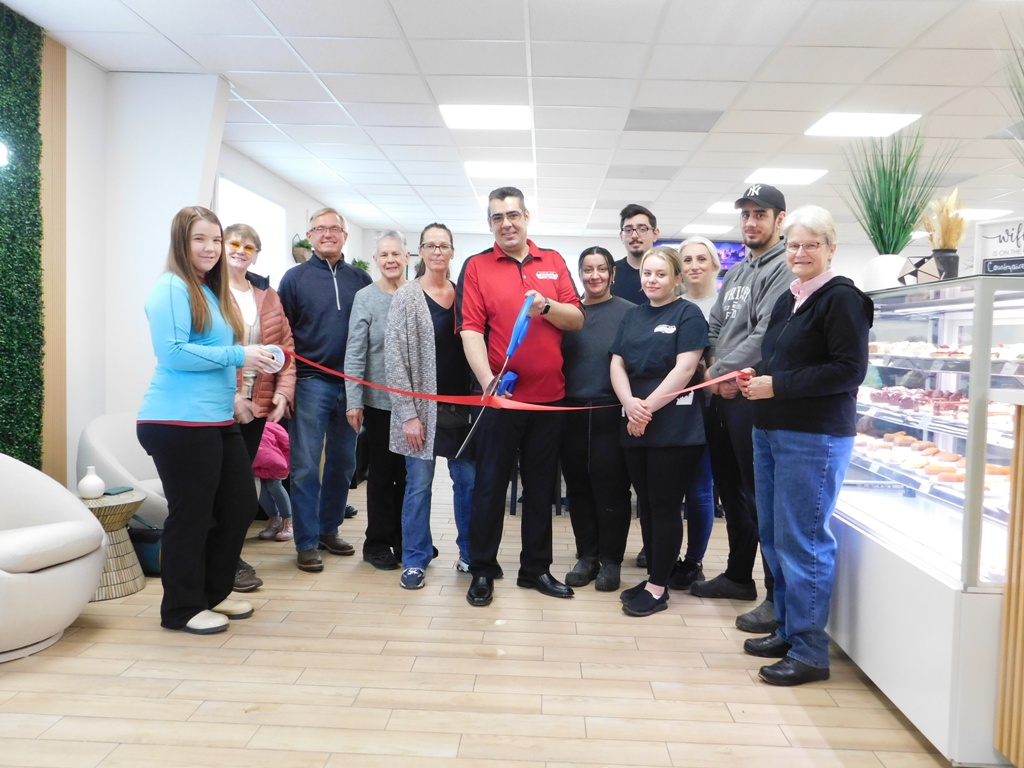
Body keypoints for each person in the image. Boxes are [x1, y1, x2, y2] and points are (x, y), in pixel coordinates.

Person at [738, 205, 872, 686]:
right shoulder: (789, 299)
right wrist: (759, 376)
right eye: (793, 245)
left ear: (831, 249)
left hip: (813, 437)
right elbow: (784, 360)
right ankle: (788, 628)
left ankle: (811, 652)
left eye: (810, 245)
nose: (799, 253)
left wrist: (778, 385)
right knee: (775, 537)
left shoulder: (843, 299)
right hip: (771, 430)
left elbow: (848, 371)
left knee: (803, 542)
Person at [137, 205, 279, 634]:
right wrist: (240, 355)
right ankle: (180, 609)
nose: (210, 248)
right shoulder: (171, 288)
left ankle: (211, 594)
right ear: (181, 241)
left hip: (216, 418)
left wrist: (248, 371)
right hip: (177, 421)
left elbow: (217, 352)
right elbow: (173, 353)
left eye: (215, 239)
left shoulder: (207, 290)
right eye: (200, 239)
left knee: (238, 505)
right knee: (192, 515)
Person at [456, 185, 584, 607]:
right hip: (501, 400)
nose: (506, 223)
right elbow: (470, 329)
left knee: (541, 487)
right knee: (490, 486)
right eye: (497, 217)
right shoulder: (476, 266)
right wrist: (486, 379)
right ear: (490, 224)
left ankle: (535, 569)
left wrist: (545, 306)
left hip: (549, 399)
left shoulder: (553, 261)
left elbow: (576, 318)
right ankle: (482, 569)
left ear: (526, 217)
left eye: (513, 215)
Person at [690, 183, 794, 637]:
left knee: (758, 496)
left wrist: (723, 373)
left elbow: (766, 334)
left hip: (750, 396)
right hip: (722, 392)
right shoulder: (736, 274)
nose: (751, 222)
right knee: (730, 491)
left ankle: (774, 595)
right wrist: (716, 371)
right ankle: (737, 575)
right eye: (746, 214)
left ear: (779, 219)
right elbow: (715, 326)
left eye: (760, 214)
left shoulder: (783, 268)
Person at [611, 246, 708, 617]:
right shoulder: (632, 315)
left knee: (666, 505)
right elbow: (617, 363)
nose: (652, 280)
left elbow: (685, 369)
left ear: (677, 278)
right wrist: (630, 404)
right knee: (647, 505)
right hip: (635, 422)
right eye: (647, 273)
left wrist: (645, 408)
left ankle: (658, 587)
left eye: (661, 274)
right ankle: (655, 574)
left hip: (674, 427)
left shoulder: (688, 314)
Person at [278, 208, 372, 573]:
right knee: (304, 467)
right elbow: (283, 334)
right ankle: (305, 542)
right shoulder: (294, 278)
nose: (327, 234)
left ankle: (329, 530)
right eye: (320, 228)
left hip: (352, 386)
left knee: (344, 463)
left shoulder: (361, 278)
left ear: (345, 236)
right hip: (309, 384)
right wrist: (285, 385)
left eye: (334, 228)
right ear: (310, 236)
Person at [386, 223, 476, 590]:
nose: (437, 252)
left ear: (452, 252)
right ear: (420, 252)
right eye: (430, 246)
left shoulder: (464, 295)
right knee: (419, 486)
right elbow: (395, 361)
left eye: (444, 246)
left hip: (463, 409)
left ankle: (469, 553)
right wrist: (407, 415)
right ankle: (415, 559)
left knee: (468, 483)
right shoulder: (406, 297)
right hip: (421, 412)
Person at [223, 222, 296, 591]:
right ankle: (224, 561)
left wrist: (283, 391)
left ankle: (229, 558)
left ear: (256, 255)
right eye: (234, 243)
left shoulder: (268, 297)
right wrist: (232, 398)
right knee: (229, 488)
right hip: (220, 407)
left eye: (249, 247)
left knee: (242, 489)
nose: (241, 251)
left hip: (258, 408)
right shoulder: (208, 293)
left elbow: (286, 349)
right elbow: (208, 353)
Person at [559, 246, 634, 592]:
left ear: (612, 273)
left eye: (601, 269)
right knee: (578, 488)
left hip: (611, 413)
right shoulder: (568, 314)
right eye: (587, 269)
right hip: (571, 413)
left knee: (612, 489)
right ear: (580, 274)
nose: (595, 276)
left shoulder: (630, 313)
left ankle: (611, 561)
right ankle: (587, 556)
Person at [345, 231, 410, 570]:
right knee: (383, 476)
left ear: (407, 257)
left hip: (414, 406)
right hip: (378, 403)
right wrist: (353, 400)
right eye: (383, 254)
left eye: (395, 253)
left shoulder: (417, 294)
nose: (390, 260)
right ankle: (377, 544)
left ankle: (407, 540)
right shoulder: (366, 298)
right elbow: (355, 351)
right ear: (376, 260)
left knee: (409, 477)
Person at [666, 236, 722, 591]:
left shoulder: (724, 306)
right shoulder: (672, 305)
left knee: (701, 490)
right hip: (672, 409)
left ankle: (694, 560)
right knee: (669, 488)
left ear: (715, 265)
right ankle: (665, 552)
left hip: (712, 409)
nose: (694, 266)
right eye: (687, 260)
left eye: (702, 259)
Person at [611, 203, 659, 305]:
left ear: (655, 234)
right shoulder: (610, 273)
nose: (634, 235)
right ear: (621, 236)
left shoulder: (669, 272)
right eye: (628, 230)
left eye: (642, 229)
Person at [253, 420, 293, 542]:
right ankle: (274, 520)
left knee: (274, 485)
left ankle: (288, 522)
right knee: (260, 490)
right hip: (260, 458)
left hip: (279, 461)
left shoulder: (267, 452)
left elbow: (280, 465)